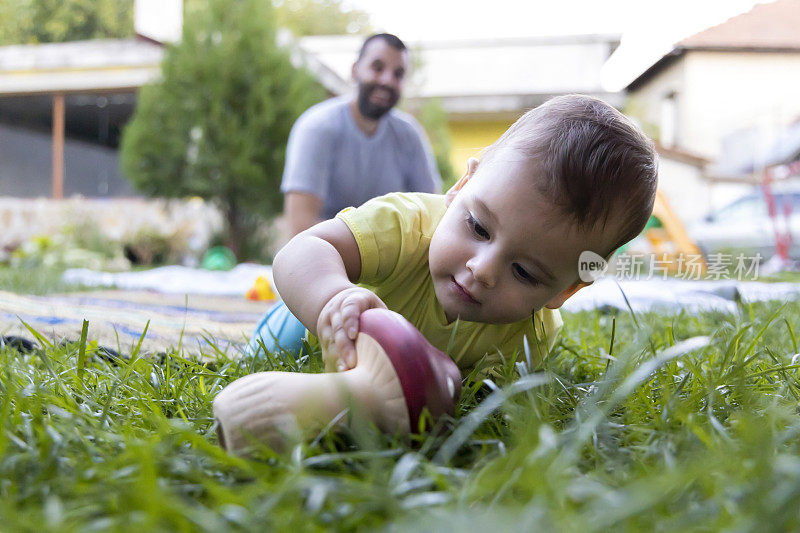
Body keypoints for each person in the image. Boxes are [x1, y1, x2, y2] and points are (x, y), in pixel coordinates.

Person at [251, 95, 658, 374]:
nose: (482, 270)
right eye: (479, 228)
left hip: (380, 378)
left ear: (565, 292)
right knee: (276, 340)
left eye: (525, 273)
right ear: (463, 185)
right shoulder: (403, 225)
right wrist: (332, 300)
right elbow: (301, 251)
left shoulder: (526, 340)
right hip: (301, 323)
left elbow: (473, 409)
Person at [281, 33, 442, 238]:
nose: (387, 80)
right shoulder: (317, 127)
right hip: (322, 259)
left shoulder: (410, 136)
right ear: (355, 70)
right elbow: (300, 227)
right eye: (377, 67)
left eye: (398, 74)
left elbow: (433, 217)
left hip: (389, 265)